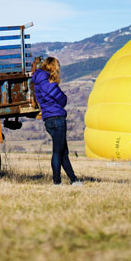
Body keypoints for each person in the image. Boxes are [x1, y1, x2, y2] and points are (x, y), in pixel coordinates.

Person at [32, 57, 82, 186]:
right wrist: (63, 97)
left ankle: (74, 180)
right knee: (58, 151)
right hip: (57, 118)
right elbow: (62, 99)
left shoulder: (37, 81)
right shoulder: (48, 81)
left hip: (48, 119)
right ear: (53, 67)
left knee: (63, 152)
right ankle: (56, 181)